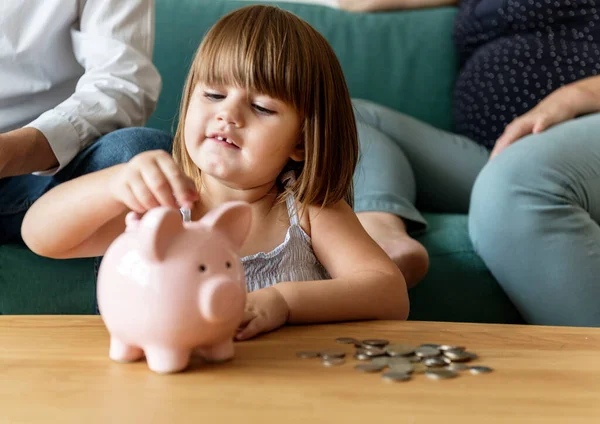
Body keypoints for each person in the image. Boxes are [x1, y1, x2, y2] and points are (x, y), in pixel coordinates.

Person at [22, 5, 409, 340]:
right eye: (214, 95)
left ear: (302, 142)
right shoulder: (163, 205)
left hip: (286, 388)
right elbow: (41, 236)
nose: (228, 114)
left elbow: (389, 293)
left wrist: (283, 301)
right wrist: (114, 184)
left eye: (261, 107)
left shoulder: (305, 209)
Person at [339, 0, 600, 326]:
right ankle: (382, 233)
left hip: (582, 123)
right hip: (495, 152)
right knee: (341, 116)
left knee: (515, 186)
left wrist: (572, 97)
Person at [0, 0, 171, 244]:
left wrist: (13, 151)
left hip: (41, 167)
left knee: (140, 155)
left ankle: (130, 277)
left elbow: (121, 83)